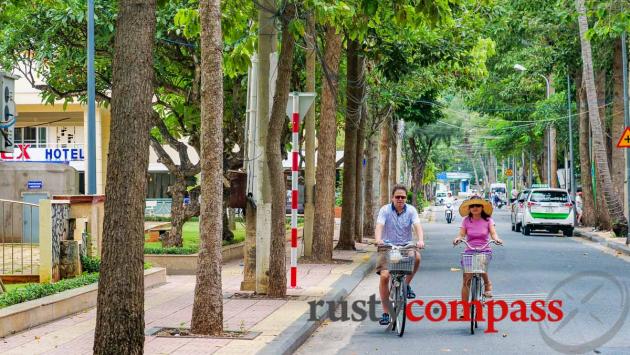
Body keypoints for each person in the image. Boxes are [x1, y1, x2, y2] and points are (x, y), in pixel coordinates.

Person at [375, 184, 425, 325]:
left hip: (406, 245)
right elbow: (379, 226)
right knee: (385, 276)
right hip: (387, 247)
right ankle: (386, 312)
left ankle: (406, 285)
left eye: (403, 197)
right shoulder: (385, 210)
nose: (400, 199)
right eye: (397, 197)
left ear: (406, 199)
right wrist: (378, 240)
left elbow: (417, 227)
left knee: (417, 257)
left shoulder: (411, 211)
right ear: (392, 197)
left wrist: (420, 240)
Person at [452, 196, 503, 313]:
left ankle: (487, 284)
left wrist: (497, 239)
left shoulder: (488, 220)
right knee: (466, 279)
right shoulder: (465, 220)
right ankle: (464, 309)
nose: (475, 208)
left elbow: (494, 234)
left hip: (484, 249)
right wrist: (457, 239)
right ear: (469, 208)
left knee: (480, 263)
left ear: (482, 207)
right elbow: (461, 235)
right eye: (472, 206)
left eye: (478, 205)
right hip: (470, 250)